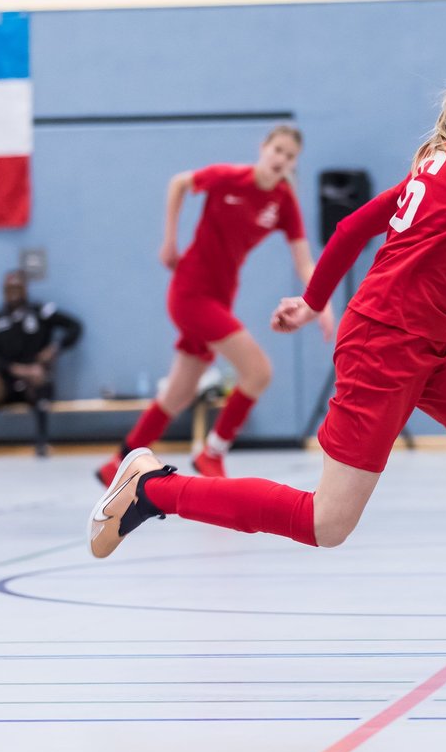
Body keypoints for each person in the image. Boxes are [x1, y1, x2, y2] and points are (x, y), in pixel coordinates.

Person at [88, 37, 446, 678]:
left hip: (428, 339)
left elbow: (354, 226)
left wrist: (312, 303)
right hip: (389, 342)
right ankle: (154, 488)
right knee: (326, 522)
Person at [95, 125, 334, 485]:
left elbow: (303, 259)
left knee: (177, 395)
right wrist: (169, 242)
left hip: (221, 296)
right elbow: (178, 183)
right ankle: (212, 453)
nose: (281, 159)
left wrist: (321, 302)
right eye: (277, 150)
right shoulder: (228, 178)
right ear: (263, 148)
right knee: (259, 372)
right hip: (191, 292)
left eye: (290, 156)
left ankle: (117, 462)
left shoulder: (283, 201)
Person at [0, 269, 83, 457]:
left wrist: (55, 348)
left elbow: (75, 327)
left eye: (17, 288)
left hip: (34, 384)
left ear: (25, 289)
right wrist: (16, 369)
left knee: (38, 374)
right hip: (4, 385)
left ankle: (42, 442)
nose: (13, 292)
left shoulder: (40, 312)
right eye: (8, 288)